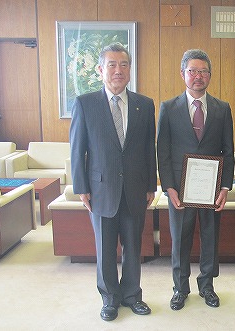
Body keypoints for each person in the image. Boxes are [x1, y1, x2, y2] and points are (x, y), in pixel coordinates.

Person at [70, 43, 157, 321]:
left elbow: (148, 149)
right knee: (105, 250)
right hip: (101, 190)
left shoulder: (145, 104)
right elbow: (77, 149)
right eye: (112, 64)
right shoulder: (85, 103)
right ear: (100, 69)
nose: (118, 70)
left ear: (130, 70)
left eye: (123, 65)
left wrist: (150, 185)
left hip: (135, 189)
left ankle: (132, 295)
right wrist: (81, 186)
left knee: (133, 247)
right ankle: (109, 298)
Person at [157, 49, 234, 311]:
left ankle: (207, 286)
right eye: (192, 71)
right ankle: (180, 288)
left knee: (211, 238)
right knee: (180, 239)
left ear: (210, 75)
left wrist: (225, 186)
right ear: (183, 74)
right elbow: (162, 151)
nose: (198, 76)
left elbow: (227, 149)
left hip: (211, 189)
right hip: (180, 189)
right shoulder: (168, 108)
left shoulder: (223, 109)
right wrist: (169, 187)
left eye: (203, 71)